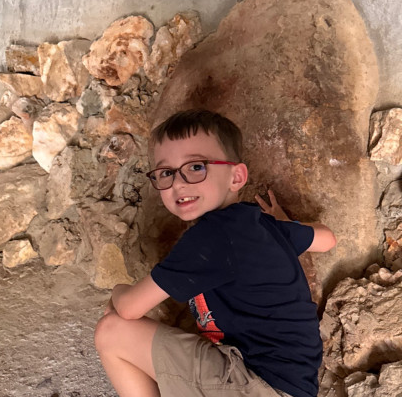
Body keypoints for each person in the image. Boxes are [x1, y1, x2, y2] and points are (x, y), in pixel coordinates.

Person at [94, 109, 337, 397]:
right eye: (166, 172)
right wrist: (283, 223)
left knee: (112, 330)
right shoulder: (262, 226)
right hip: (290, 386)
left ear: (237, 177)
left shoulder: (210, 238)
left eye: (196, 167)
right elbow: (327, 239)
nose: (179, 183)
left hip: (256, 387)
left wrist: (117, 291)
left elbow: (129, 308)